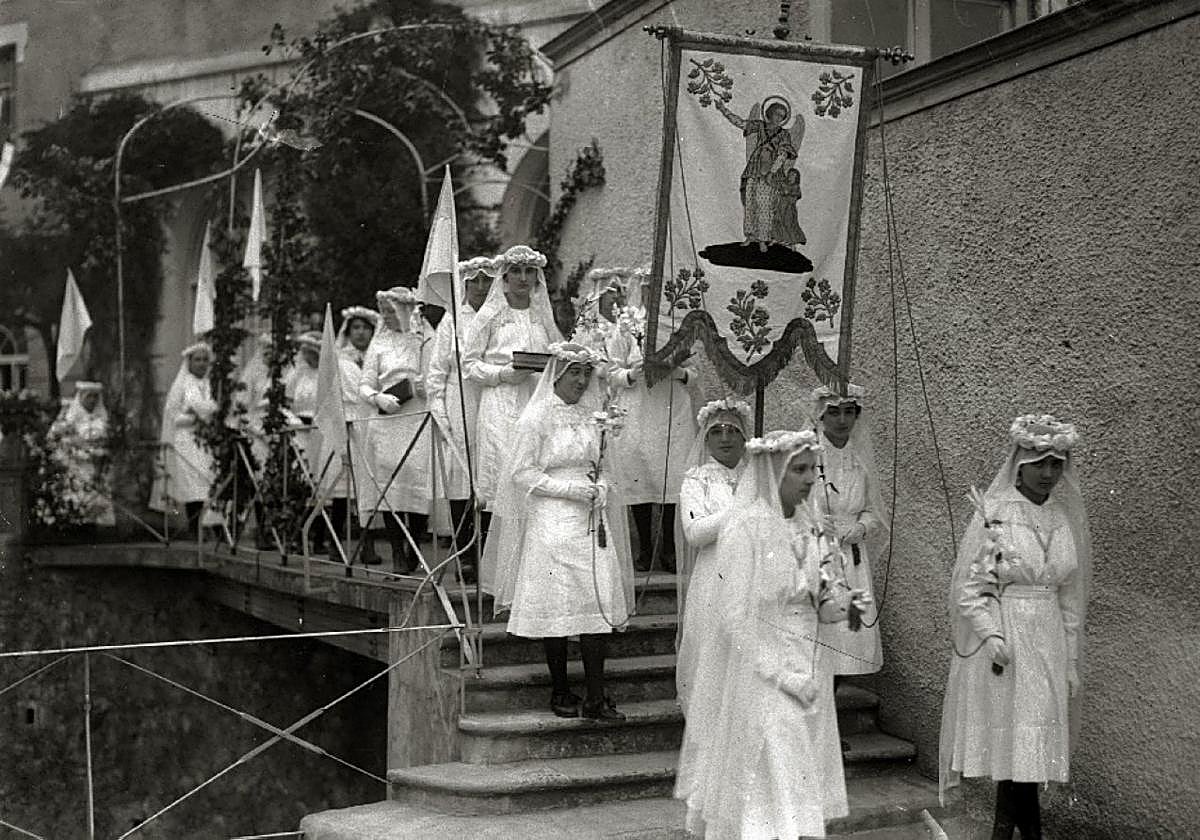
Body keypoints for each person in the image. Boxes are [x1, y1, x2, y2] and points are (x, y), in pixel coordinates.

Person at [675, 429, 853, 839]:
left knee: (800, 764)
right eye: (799, 470)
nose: (809, 479)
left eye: (812, 470)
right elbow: (734, 617)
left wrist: (836, 593)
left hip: (809, 660)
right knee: (770, 760)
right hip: (762, 669)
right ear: (774, 473)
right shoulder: (747, 527)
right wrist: (779, 674)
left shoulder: (811, 526)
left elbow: (827, 605)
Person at [939, 414, 1091, 840]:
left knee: (1031, 749)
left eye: (1056, 464)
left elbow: (1069, 598)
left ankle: (1009, 832)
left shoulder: (1061, 518)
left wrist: (1070, 660)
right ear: (1019, 464)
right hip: (1007, 642)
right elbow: (971, 590)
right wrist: (991, 634)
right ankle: (1013, 832)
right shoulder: (996, 514)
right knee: (1013, 751)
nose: (1048, 473)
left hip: (1048, 641)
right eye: (1039, 463)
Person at [485, 342, 634, 720]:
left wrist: (602, 487)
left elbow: (602, 464)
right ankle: (560, 689)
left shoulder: (592, 416)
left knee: (597, 596)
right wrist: (569, 490)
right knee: (558, 600)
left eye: (586, 373)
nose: (581, 381)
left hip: (590, 517)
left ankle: (596, 696)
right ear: (557, 374)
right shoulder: (536, 417)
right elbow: (521, 473)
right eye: (574, 373)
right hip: (552, 517)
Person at [604, 266, 698, 572]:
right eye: (648, 286)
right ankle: (645, 546)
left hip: (671, 408)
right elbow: (610, 371)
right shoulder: (626, 325)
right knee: (639, 472)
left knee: (670, 474)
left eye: (659, 286)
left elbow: (697, 375)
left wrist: (677, 371)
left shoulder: (683, 324)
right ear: (641, 289)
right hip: (637, 408)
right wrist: (632, 373)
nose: (653, 292)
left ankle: (669, 547)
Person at [462, 244, 563, 523]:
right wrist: (502, 374)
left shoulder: (542, 314)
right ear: (505, 276)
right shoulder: (490, 314)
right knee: (502, 469)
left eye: (529, 271)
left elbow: (557, 355)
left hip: (537, 400)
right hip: (501, 403)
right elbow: (469, 364)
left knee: (535, 468)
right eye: (516, 271)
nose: (523, 278)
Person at [673, 398, 750, 708]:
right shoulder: (697, 479)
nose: (725, 438)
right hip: (715, 572)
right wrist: (740, 511)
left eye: (732, 431)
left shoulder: (760, 478)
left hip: (753, 572)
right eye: (717, 431)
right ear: (706, 438)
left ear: (744, 437)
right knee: (715, 646)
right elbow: (695, 533)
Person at [811, 383, 888, 679]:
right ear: (821, 415)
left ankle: (839, 693)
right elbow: (792, 504)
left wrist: (861, 526)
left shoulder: (860, 459)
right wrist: (817, 523)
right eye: (834, 413)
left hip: (852, 555)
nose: (842, 420)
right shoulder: (810, 455)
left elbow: (872, 509)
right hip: (817, 553)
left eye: (848, 412)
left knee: (848, 638)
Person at [426, 256, 497, 576]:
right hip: (460, 402)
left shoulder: (499, 316)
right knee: (462, 479)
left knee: (491, 473)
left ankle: (488, 554)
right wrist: (441, 414)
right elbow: (436, 374)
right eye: (474, 281)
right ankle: (466, 555)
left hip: (492, 400)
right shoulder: (453, 322)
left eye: (487, 280)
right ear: (464, 285)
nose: (481, 287)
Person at [358, 286, 434, 573]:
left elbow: (437, 374)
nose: (387, 317)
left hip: (416, 417)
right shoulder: (379, 344)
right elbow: (365, 383)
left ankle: (414, 546)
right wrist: (376, 397)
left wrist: (425, 387)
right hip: (387, 420)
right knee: (390, 485)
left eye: (391, 312)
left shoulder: (423, 340)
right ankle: (397, 551)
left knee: (416, 479)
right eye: (384, 312)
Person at [320, 306, 378, 562]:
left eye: (365, 328)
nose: (361, 333)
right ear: (348, 331)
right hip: (347, 423)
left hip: (370, 423)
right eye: (356, 328)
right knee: (343, 487)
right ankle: (334, 543)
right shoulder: (340, 360)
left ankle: (368, 545)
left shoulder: (377, 357)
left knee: (369, 486)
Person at [150, 342, 217, 539]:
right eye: (197, 360)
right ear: (189, 362)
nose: (202, 364)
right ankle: (193, 527)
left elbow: (215, 409)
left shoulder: (210, 385)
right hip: (186, 440)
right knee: (192, 483)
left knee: (207, 481)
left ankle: (208, 525)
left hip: (206, 440)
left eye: (205, 360)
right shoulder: (182, 385)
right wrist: (193, 418)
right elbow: (173, 416)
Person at [46, 381, 115, 527]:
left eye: (95, 397)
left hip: (97, 466)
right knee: (77, 500)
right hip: (76, 466)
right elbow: (53, 439)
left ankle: (100, 528)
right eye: (89, 396)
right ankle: (77, 525)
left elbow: (109, 441)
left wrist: (102, 452)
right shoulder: (69, 418)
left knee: (98, 500)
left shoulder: (102, 419)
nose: (92, 400)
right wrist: (72, 446)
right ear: (81, 397)